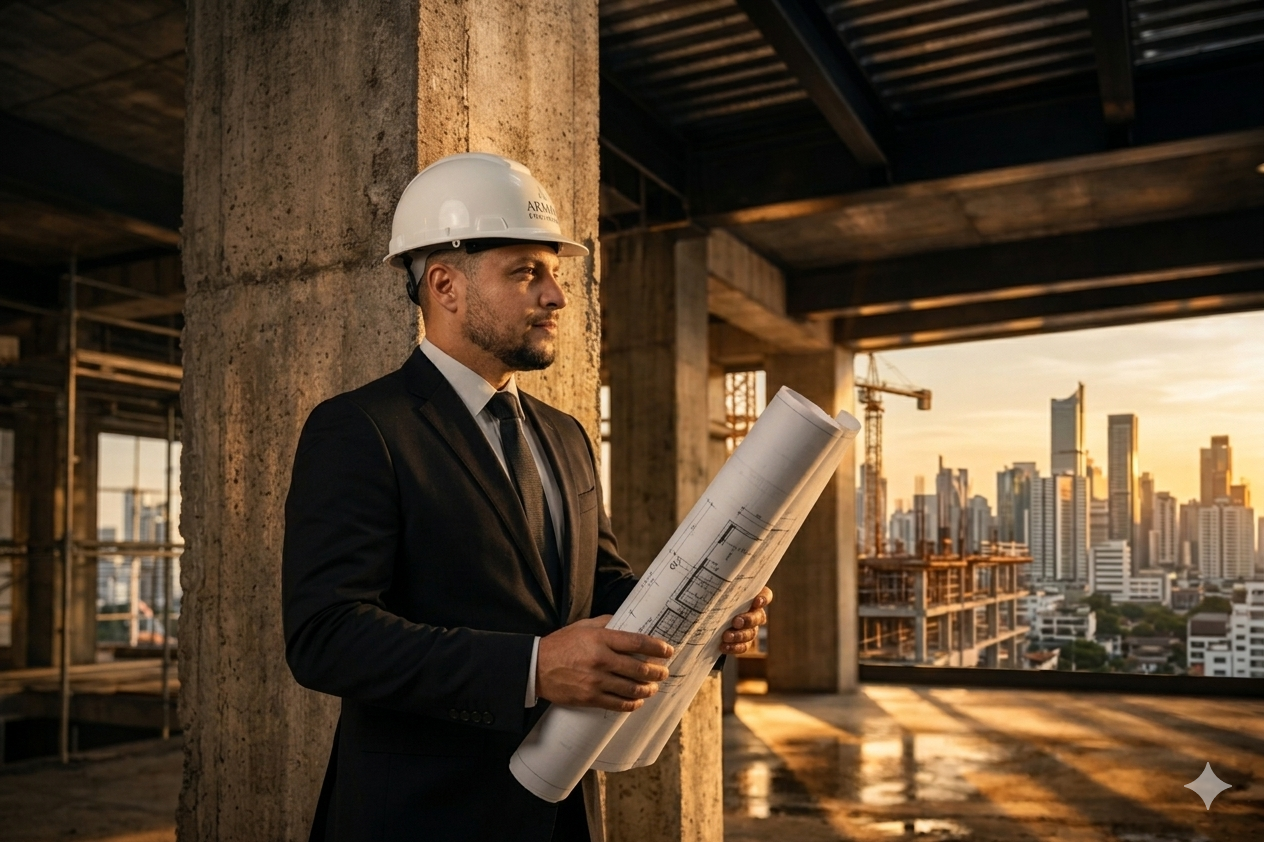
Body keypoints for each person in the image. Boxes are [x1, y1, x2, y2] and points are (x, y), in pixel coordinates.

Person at [282, 153, 772, 842]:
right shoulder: (360, 429)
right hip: (422, 817)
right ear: (446, 286)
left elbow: (601, 587)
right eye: (525, 272)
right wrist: (534, 669)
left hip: (561, 810)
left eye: (554, 273)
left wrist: (702, 616)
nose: (557, 297)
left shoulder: (566, 435)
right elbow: (326, 637)